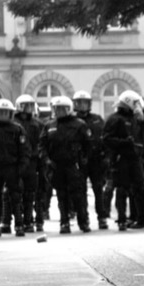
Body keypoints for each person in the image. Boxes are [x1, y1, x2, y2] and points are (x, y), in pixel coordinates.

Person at [102, 90, 144, 231]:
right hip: (120, 159)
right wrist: (123, 143)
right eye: (136, 103)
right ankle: (123, 219)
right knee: (122, 189)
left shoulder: (136, 119)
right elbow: (106, 139)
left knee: (142, 187)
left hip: (135, 158)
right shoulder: (115, 119)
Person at [40, 96, 91, 234]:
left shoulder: (79, 124)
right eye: (56, 109)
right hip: (56, 165)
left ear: (68, 109)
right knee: (61, 195)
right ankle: (64, 222)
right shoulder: (50, 125)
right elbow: (42, 145)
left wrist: (83, 161)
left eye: (61, 109)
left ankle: (83, 222)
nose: (58, 111)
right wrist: (46, 160)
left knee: (78, 195)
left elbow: (88, 144)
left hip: (73, 165)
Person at [0, 99, 29, 237]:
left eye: (5, 112)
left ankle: (19, 225)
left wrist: (21, 168)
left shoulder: (17, 129)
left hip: (12, 167)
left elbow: (24, 151)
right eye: (0, 112)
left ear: (10, 114)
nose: (3, 115)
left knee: (15, 197)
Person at [72, 90, 109, 229]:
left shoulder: (97, 119)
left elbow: (105, 138)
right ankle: (84, 217)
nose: (82, 106)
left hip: (96, 159)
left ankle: (102, 217)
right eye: (79, 103)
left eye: (85, 103)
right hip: (81, 160)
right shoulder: (73, 121)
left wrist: (106, 156)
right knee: (81, 191)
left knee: (98, 189)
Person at [14, 94, 44, 233]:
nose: (29, 108)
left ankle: (29, 221)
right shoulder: (13, 122)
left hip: (32, 162)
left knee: (30, 193)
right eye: (26, 105)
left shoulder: (37, 123)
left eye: (31, 105)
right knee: (15, 193)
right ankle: (16, 221)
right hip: (16, 162)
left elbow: (41, 142)